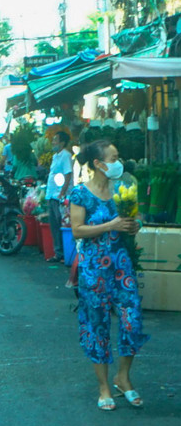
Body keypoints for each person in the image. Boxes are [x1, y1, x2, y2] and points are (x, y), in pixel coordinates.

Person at [68, 140, 147, 411]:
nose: (118, 161)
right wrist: (110, 225)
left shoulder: (123, 189)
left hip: (122, 266)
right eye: (113, 157)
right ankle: (104, 387)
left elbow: (130, 223)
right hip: (94, 269)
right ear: (99, 164)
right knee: (97, 325)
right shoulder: (80, 194)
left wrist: (131, 226)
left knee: (132, 320)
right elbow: (77, 230)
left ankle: (123, 377)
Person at [46, 130, 74, 265]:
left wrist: (62, 193)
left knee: (61, 223)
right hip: (52, 194)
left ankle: (64, 253)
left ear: (62, 142)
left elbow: (68, 174)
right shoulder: (55, 156)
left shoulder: (66, 156)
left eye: (55, 140)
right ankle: (58, 253)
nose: (53, 142)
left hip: (60, 197)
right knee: (54, 225)